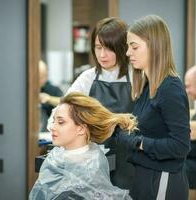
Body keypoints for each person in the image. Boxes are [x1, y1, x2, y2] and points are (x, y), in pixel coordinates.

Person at [118, 15, 191, 200]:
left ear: (155, 47)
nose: (128, 53)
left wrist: (137, 142)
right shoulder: (148, 86)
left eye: (134, 47)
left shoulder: (170, 89)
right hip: (144, 176)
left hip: (163, 180)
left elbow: (180, 146)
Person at [65, 17, 135, 189]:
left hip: (131, 158)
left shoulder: (137, 77)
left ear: (122, 48)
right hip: (95, 158)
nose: (102, 55)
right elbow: (62, 111)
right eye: (98, 47)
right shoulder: (87, 78)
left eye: (109, 49)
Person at [29, 92, 136, 199]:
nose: (52, 127)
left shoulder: (90, 164)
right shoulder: (56, 156)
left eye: (60, 122)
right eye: (54, 121)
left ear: (80, 129)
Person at [39, 60, 63, 131]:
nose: (42, 79)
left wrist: (49, 99)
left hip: (48, 131)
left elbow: (66, 103)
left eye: (44, 75)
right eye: (39, 76)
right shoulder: (24, 91)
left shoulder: (53, 90)